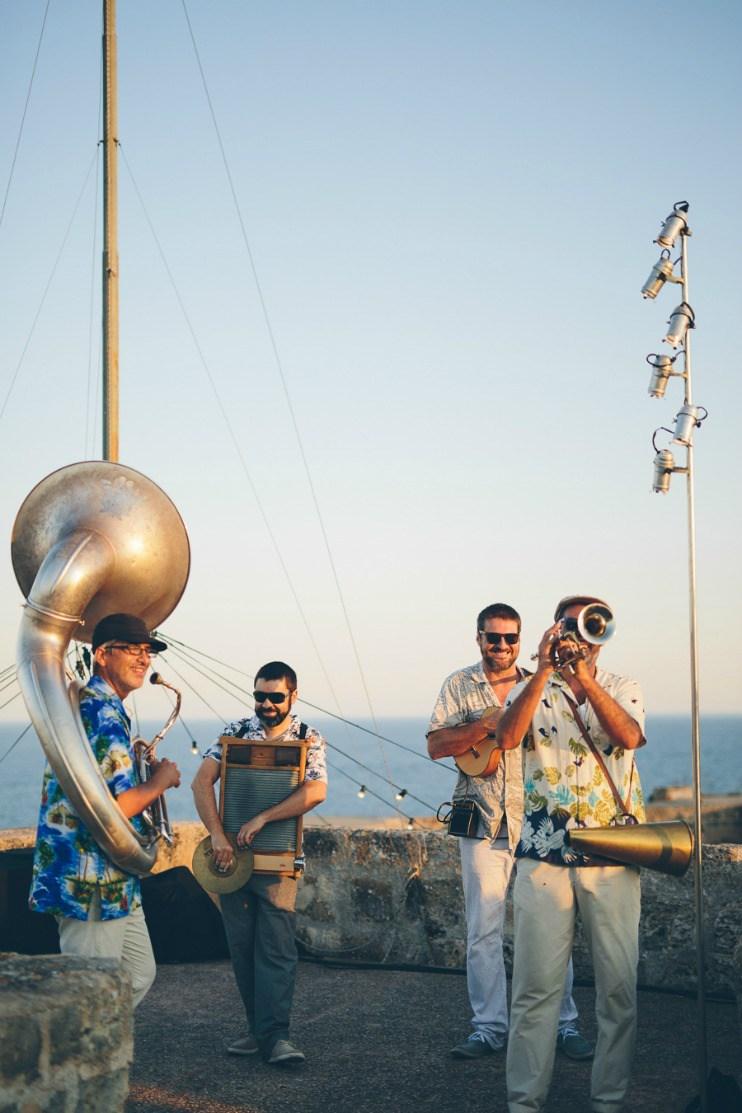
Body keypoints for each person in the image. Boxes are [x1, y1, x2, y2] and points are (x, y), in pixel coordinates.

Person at [497, 595, 646, 1113]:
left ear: (603, 632)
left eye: (592, 624)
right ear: (554, 628)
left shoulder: (622, 688)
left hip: (611, 854)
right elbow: (507, 737)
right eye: (571, 624)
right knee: (535, 991)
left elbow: (629, 736)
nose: (581, 633)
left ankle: (608, 1102)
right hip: (545, 853)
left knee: (617, 992)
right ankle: (524, 1103)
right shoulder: (528, 687)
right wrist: (541, 671)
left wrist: (584, 680)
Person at [427, 603, 591, 1060]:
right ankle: (488, 1028)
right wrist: (481, 724)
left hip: (538, 820)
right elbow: (436, 745)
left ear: (521, 641)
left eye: (510, 639)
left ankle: (564, 1024)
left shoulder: (541, 682)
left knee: (552, 926)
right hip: (481, 822)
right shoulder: (458, 685)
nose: (501, 646)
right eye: (492, 637)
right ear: (478, 637)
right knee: (483, 930)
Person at [29, 613, 181, 1007]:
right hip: (89, 880)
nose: (143, 658)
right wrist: (159, 781)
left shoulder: (101, 706)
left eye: (147, 651)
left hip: (114, 879)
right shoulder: (101, 712)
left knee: (137, 972)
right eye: (131, 649)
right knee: (88, 994)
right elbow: (118, 807)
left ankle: (87, 1050)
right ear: (101, 655)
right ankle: (68, 1060)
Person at [192, 660, 327, 1066]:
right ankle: (259, 1031)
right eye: (259, 696)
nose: (266, 704)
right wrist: (218, 834)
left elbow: (316, 790)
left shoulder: (308, 737)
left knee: (277, 947)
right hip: (230, 861)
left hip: (277, 858)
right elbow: (202, 783)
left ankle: (278, 1036)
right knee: (242, 948)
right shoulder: (234, 733)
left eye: (275, 697)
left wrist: (264, 817)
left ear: (293, 695)